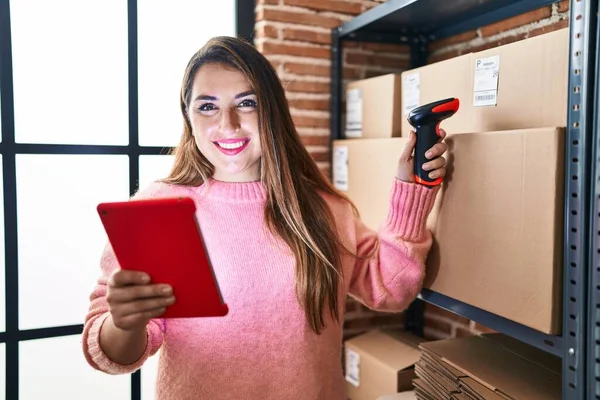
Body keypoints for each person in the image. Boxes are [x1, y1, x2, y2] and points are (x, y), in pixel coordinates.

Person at [82, 36, 448, 400]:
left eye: (247, 103)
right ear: (188, 118)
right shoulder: (156, 209)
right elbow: (112, 356)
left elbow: (391, 291)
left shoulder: (320, 208)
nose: (228, 124)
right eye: (207, 107)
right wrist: (124, 322)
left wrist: (410, 189)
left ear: (272, 109)